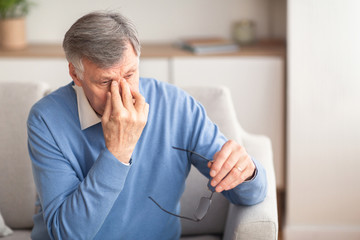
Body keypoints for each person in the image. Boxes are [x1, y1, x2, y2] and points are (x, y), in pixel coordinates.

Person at [27, 11, 267, 240]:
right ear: (75, 74)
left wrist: (248, 173)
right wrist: (118, 152)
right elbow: (68, 234)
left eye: (130, 74)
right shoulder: (46, 120)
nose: (123, 93)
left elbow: (248, 192)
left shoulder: (177, 106)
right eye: (105, 81)